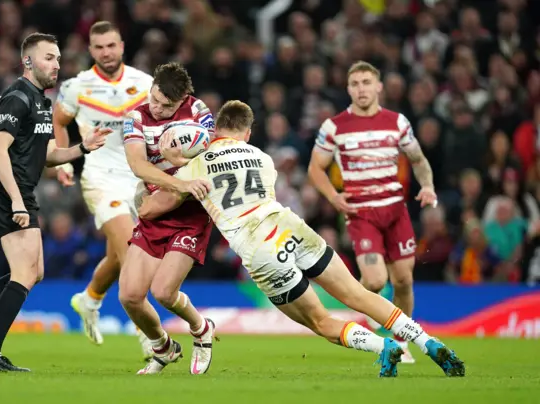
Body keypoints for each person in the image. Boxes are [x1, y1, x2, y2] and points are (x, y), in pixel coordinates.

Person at [138, 100, 465, 378]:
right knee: (356, 293)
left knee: (321, 321)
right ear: (248, 132)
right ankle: (425, 341)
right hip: (290, 227)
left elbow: (151, 210)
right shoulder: (263, 159)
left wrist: (174, 165)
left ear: (216, 130)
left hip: (259, 247)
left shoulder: (196, 165)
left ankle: (383, 346)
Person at [0, 33, 110, 372]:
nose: (57, 64)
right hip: (7, 192)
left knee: (35, 272)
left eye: (58, 58)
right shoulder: (17, 97)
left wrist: (83, 147)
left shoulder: (42, 101)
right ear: (29, 61)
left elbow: (48, 155)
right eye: (49, 57)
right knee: (24, 272)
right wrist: (17, 201)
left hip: (22, 191)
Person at [307, 61, 437, 364]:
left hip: (395, 211)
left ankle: (401, 341)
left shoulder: (397, 122)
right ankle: (365, 300)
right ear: (348, 88)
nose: (361, 89)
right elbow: (316, 168)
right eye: (354, 84)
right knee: (376, 280)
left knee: (404, 280)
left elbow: (417, 158)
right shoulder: (335, 126)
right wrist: (334, 197)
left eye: (366, 82)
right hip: (361, 212)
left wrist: (428, 185)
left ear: (379, 86)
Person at [53, 21, 153, 357]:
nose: (106, 53)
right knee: (130, 248)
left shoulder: (144, 83)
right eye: (99, 47)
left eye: (111, 45)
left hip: (138, 178)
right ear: (90, 50)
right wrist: (65, 161)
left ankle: (89, 299)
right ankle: (150, 336)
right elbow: (59, 122)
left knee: (115, 255)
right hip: (100, 177)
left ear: (122, 45)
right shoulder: (77, 86)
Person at [120, 62, 216, 375]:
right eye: (155, 100)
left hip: (190, 212)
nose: (158, 109)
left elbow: (211, 158)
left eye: (167, 105)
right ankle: (163, 346)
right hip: (158, 208)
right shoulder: (136, 116)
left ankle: (201, 328)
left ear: (184, 99)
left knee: (163, 292)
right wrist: (179, 183)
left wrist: (183, 187)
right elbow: (138, 165)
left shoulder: (199, 111)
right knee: (130, 296)